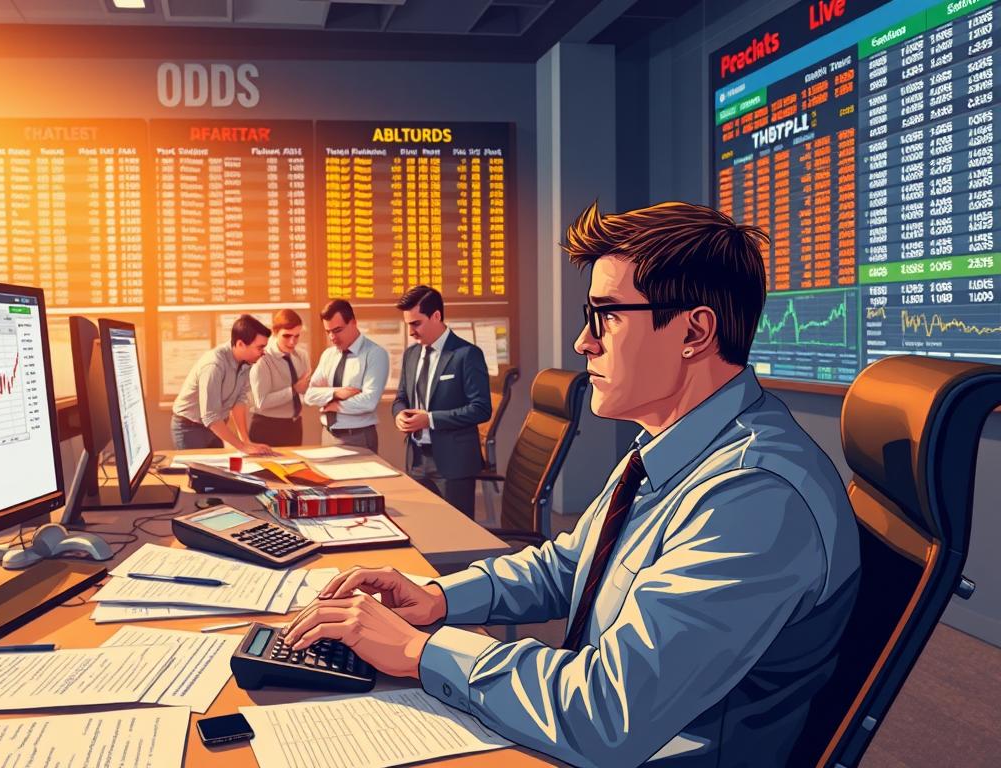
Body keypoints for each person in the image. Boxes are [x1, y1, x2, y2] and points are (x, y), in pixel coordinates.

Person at [281, 201, 861, 767]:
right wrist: (439, 598)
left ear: (694, 331)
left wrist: (420, 649)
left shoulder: (753, 499)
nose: (584, 341)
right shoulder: (668, 449)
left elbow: (606, 713)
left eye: (607, 316)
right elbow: (570, 566)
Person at [392, 285, 491, 518]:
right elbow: (401, 398)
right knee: (422, 526)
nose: (411, 332)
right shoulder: (411, 355)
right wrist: (399, 415)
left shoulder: (467, 354)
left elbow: (481, 409)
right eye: (408, 324)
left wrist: (430, 420)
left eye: (416, 323)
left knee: (458, 530)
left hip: (453, 464)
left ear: (436, 316)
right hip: (416, 459)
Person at [170, 314, 273, 454]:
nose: (263, 353)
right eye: (260, 348)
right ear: (240, 344)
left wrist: (246, 440)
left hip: (216, 426)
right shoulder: (214, 365)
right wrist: (242, 447)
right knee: (196, 468)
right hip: (190, 428)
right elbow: (210, 416)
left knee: (218, 467)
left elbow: (239, 399)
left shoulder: (246, 361)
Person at [303, 299, 389, 453]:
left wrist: (334, 406)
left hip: (358, 437)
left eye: (337, 330)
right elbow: (309, 395)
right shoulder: (328, 355)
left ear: (353, 323)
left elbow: (369, 402)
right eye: (328, 332)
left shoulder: (375, 354)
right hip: (327, 435)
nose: (332, 337)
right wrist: (336, 393)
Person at [249, 309, 310, 446]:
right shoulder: (262, 358)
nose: (292, 342)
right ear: (275, 332)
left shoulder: (302, 355)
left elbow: (305, 392)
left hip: (294, 425)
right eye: (287, 336)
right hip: (267, 427)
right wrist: (294, 390)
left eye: (297, 336)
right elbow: (261, 402)